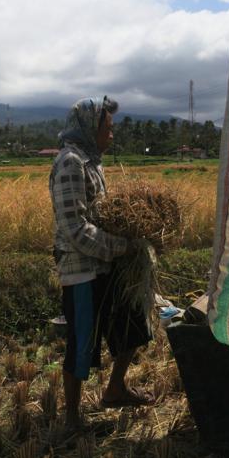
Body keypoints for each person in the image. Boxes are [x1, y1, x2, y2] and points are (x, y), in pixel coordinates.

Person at [49, 95, 154, 432]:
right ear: (89, 128)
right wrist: (120, 247)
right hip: (82, 270)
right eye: (107, 128)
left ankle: (115, 389)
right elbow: (76, 229)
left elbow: (101, 214)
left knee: (133, 325)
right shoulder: (70, 163)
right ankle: (71, 420)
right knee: (82, 343)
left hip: (108, 265)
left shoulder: (91, 161)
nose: (112, 135)